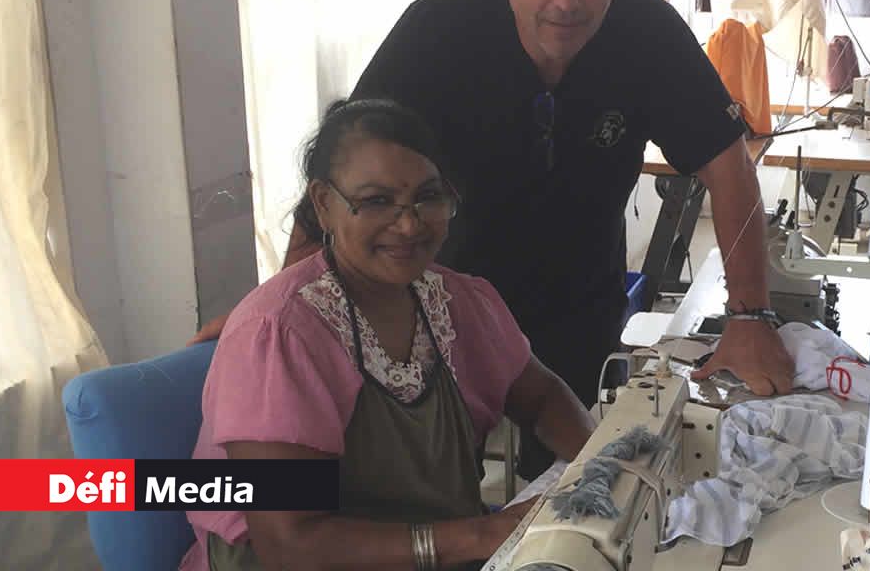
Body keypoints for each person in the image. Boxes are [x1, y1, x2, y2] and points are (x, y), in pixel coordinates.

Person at [193, 0, 794, 479]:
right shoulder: (439, 29)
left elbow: (729, 166)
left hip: (578, 298)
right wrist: (279, 308)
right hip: (442, 304)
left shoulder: (649, 33)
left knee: (567, 480)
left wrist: (750, 317)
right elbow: (344, 162)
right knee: (427, 473)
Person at [180, 99, 595, 571]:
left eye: (428, 197)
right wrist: (479, 534)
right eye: (377, 201)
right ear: (324, 204)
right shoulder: (281, 334)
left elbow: (540, 396)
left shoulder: (459, 304)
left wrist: (600, 463)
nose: (409, 224)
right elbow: (289, 544)